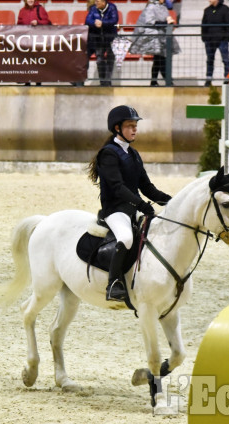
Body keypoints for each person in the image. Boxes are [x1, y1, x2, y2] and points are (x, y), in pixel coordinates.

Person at [87, 105, 172, 302]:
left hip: (133, 207)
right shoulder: (108, 154)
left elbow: (147, 187)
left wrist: (173, 201)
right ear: (117, 128)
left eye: (135, 126)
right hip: (115, 209)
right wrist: (142, 205)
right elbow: (117, 187)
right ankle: (114, 283)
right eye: (130, 126)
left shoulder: (133, 154)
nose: (134, 129)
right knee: (125, 238)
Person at [129, 0, 180, 87]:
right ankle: (167, 81)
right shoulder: (151, 7)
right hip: (154, 37)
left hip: (162, 36)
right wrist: (165, 23)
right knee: (160, 59)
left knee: (158, 60)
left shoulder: (163, 7)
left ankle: (154, 81)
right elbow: (150, 22)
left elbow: (166, 19)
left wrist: (169, 23)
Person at [86, 0, 119, 87]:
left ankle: (107, 81)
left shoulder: (112, 7)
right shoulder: (93, 9)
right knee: (100, 60)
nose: (96, 2)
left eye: (98, 1)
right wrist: (94, 23)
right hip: (98, 39)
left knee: (110, 60)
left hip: (110, 38)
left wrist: (103, 23)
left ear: (104, 2)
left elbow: (114, 20)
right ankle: (102, 81)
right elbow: (87, 20)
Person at [201, 0, 229, 87]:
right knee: (210, 60)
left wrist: (226, 38)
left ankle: (228, 79)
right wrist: (204, 38)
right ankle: (208, 79)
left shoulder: (226, 9)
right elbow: (203, 25)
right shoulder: (207, 10)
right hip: (210, 40)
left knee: (226, 59)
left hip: (222, 40)